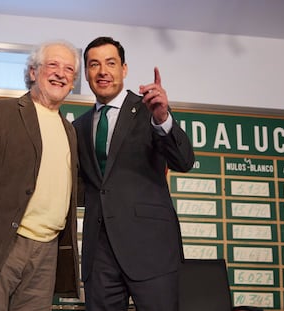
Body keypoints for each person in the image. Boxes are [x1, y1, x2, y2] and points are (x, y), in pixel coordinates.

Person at [0, 40, 80, 311]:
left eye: (68, 69)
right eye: (52, 64)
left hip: (47, 253)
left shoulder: (70, 131)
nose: (60, 73)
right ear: (33, 71)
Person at [73, 36, 195, 311]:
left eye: (110, 63)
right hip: (100, 254)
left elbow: (184, 161)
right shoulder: (78, 127)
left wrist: (163, 119)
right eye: (94, 64)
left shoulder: (149, 110)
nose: (102, 71)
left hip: (151, 249)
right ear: (87, 73)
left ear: (124, 69)